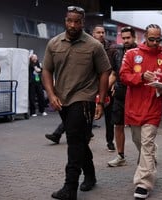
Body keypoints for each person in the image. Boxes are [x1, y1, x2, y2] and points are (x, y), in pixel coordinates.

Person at [42, 6, 111, 200]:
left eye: (77, 22)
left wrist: (100, 101)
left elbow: (104, 72)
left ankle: (69, 187)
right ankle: (90, 175)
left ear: (83, 23)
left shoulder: (93, 45)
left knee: (73, 141)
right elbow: (46, 70)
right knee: (79, 139)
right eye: (69, 21)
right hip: (62, 99)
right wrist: (51, 93)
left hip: (84, 98)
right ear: (65, 20)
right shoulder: (54, 43)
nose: (73, 25)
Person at [119, 24, 162, 199]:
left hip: (153, 108)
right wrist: (141, 77)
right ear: (145, 37)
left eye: (158, 39)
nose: (155, 42)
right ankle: (150, 158)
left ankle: (144, 183)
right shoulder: (131, 54)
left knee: (147, 144)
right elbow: (123, 76)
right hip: (134, 108)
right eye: (152, 39)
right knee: (140, 142)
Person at [107, 26, 137, 167]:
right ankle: (120, 156)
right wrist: (104, 90)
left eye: (128, 38)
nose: (125, 40)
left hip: (136, 94)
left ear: (134, 37)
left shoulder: (141, 52)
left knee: (138, 127)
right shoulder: (117, 52)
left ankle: (147, 153)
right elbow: (114, 73)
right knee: (118, 125)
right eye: (123, 38)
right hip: (120, 93)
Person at [92, 24, 117, 152]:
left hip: (107, 87)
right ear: (93, 34)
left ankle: (110, 141)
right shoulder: (88, 47)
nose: (101, 34)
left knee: (109, 118)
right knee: (86, 113)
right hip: (90, 87)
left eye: (103, 32)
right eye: (98, 32)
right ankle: (86, 136)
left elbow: (115, 70)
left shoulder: (112, 49)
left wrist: (109, 86)